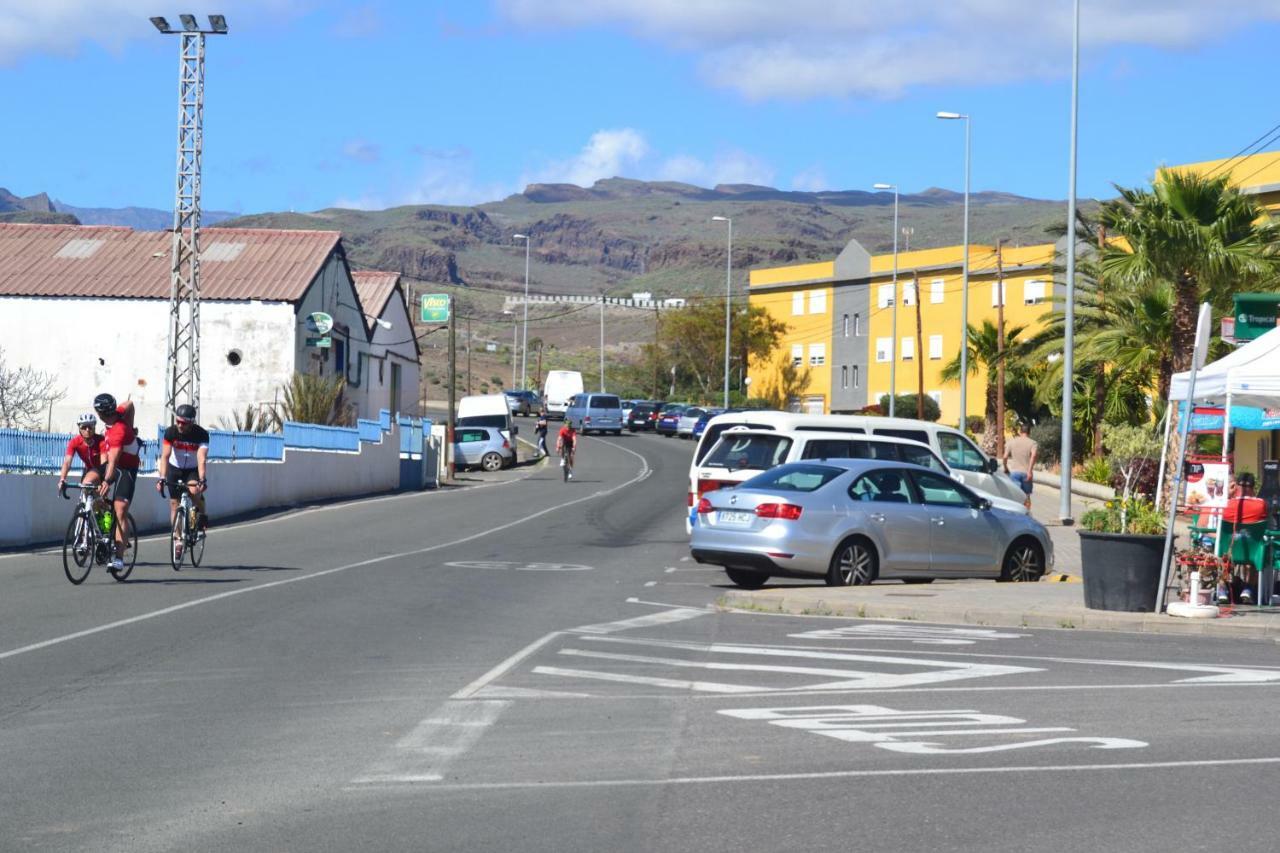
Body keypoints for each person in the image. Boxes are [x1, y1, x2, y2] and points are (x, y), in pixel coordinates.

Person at [94, 393, 140, 571]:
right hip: (113, 463)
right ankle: (104, 528)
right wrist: (131, 422)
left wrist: (106, 480)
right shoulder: (119, 414)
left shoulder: (119, 431)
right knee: (88, 483)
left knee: (120, 509)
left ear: (99, 413)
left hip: (126, 468)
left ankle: (119, 558)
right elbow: (130, 403)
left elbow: (112, 460)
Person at [156, 403, 209, 548]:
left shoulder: (201, 434)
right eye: (177, 421)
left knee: (193, 492)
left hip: (192, 469)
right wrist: (161, 478)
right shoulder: (170, 432)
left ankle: (202, 514)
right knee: (174, 504)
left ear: (191, 423)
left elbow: (201, 458)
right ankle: (177, 539)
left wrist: (202, 479)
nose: (179, 425)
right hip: (175, 468)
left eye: (183, 423)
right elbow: (165, 456)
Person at [57, 412, 106, 493]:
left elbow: (104, 463)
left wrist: (104, 480)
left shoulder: (101, 441)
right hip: (88, 470)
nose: (87, 430)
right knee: (83, 493)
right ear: (79, 429)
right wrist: (62, 479)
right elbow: (67, 462)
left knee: (90, 486)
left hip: (102, 470)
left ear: (94, 428)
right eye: (84, 427)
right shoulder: (74, 442)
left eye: (90, 426)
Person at [1003, 422, 1038, 496]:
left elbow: (1005, 456)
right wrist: (1029, 471)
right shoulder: (1033, 443)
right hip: (1026, 473)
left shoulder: (1011, 442)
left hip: (1014, 473)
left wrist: (1005, 467)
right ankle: (1026, 507)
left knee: (1015, 496)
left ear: (1020, 431)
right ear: (1029, 432)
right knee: (1026, 496)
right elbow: (1034, 455)